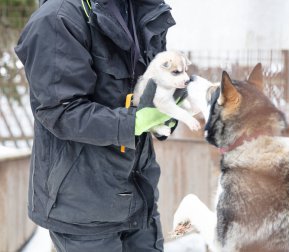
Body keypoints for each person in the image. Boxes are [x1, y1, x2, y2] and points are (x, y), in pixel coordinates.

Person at [15, 0, 177, 251]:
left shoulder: (140, 9)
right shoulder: (58, 18)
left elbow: (151, 82)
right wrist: (132, 122)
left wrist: (168, 109)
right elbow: (61, 111)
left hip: (138, 195)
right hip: (82, 208)